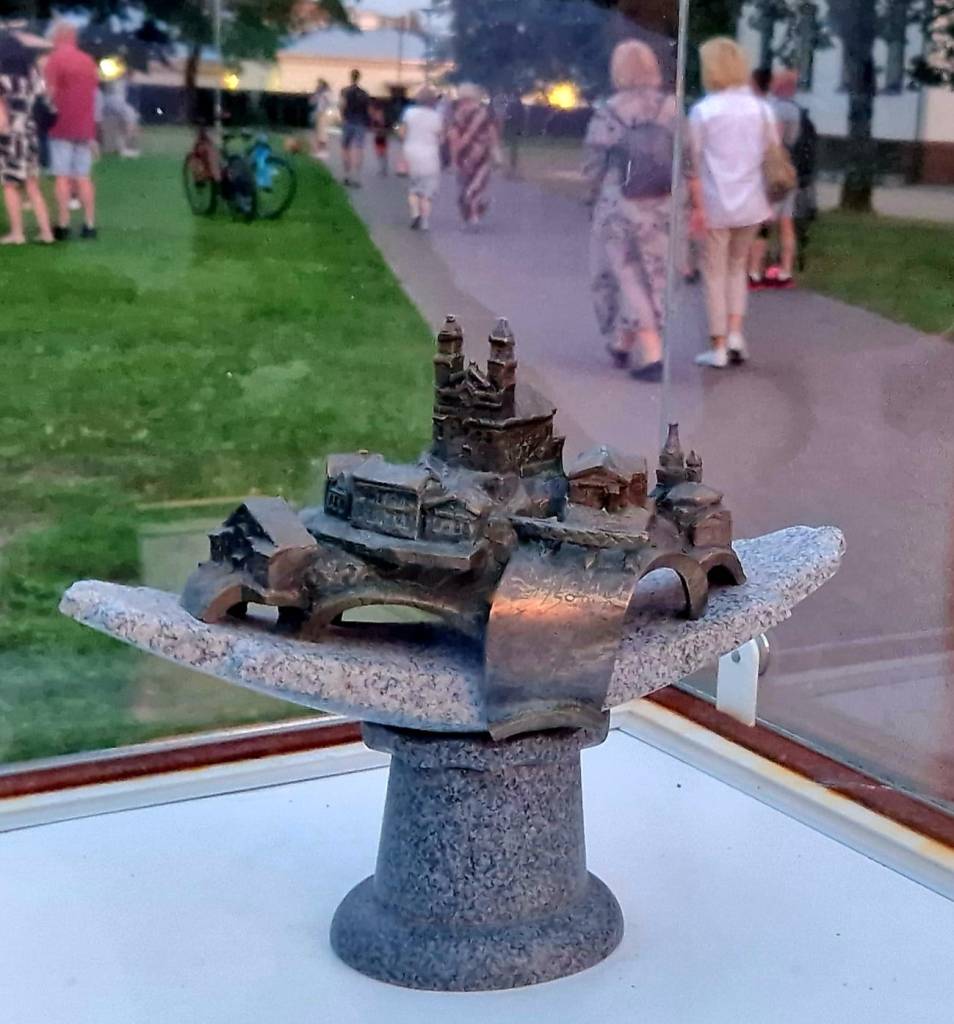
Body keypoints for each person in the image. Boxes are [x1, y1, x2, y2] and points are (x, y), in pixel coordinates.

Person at [583, 39, 681, 383]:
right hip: (663, 203)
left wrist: (591, 198)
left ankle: (651, 351)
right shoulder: (672, 108)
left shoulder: (609, 111)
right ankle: (622, 341)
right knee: (655, 274)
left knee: (626, 275)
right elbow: (689, 156)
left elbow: (593, 164)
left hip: (619, 202)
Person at [688, 37, 778, 368]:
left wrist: (696, 208)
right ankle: (736, 333)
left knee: (714, 274)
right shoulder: (762, 109)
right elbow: (771, 154)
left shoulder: (703, 111)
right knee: (738, 268)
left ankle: (718, 345)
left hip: (715, 203)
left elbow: (693, 163)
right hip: (752, 201)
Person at [748, 67, 802, 288]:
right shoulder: (795, 110)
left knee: (763, 222)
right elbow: (791, 139)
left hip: (771, 169)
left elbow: (772, 140)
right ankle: (785, 271)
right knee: (787, 222)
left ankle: (754, 272)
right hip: (787, 166)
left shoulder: (775, 109)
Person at [44, 21, 98, 241]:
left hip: (61, 125)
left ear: (58, 37)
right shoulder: (88, 61)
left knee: (62, 177)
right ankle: (89, 224)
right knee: (83, 177)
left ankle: (63, 224)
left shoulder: (54, 60)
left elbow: (49, 92)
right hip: (85, 127)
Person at [0, 49, 54, 245]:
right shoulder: (32, 77)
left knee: (10, 186)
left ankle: (17, 233)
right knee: (32, 185)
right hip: (29, 136)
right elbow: (46, 98)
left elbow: (1, 118)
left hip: (10, 139)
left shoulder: (2, 80)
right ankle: (46, 232)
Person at [447, 83, 499, 229]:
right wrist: (496, 152)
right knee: (472, 188)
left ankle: (473, 216)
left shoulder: (458, 115)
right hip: (477, 155)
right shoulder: (483, 113)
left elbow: (454, 137)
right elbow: (492, 134)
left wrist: (454, 156)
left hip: (470, 156)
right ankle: (474, 214)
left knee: (470, 187)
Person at [398, 85, 443, 231]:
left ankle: (415, 214)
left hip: (411, 152)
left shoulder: (409, 113)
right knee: (427, 192)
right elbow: (441, 138)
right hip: (430, 155)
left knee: (413, 188)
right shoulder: (437, 117)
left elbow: (402, 133)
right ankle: (425, 221)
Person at [339, 68, 370, 188]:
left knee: (345, 148)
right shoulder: (365, 93)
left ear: (350, 77)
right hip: (361, 122)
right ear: (359, 77)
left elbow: (342, 105)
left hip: (348, 121)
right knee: (358, 149)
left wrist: (342, 117)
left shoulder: (345, 91)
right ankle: (357, 177)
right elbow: (368, 110)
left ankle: (347, 175)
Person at [310, 78, 331, 159]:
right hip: (318, 113)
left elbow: (328, 103)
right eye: (318, 84)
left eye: (320, 84)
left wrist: (322, 96)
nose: (318, 85)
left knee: (322, 134)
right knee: (318, 133)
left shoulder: (326, 93)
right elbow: (312, 102)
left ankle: (324, 151)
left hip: (323, 114)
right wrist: (316, 94)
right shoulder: (318, 93)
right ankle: (318, 150)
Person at [370, 98, 390, 176]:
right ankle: (383, 169)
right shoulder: (379, 114)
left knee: (381, 153)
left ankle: (383, 170)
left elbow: (379, 125)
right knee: (382, 153)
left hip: (380, 136)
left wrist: (375, 128)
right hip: (381, 136)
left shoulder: (378, 114)